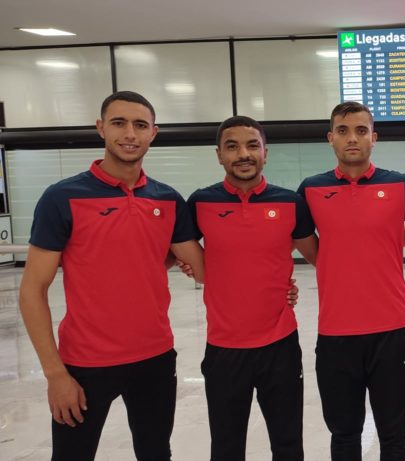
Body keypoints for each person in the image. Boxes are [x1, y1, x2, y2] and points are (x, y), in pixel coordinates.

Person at [18, 91, 205, 460]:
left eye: (140, 125)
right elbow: (32, 290)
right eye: (119, 123)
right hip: (85, 364)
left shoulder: (167, 200)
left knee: (156, 453)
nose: (130, 134)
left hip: (155, 358)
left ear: (153, 133)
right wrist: (55, 374)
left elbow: (202, 268)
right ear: (101, 128)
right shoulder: (62, 197)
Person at [297, 101, 405, 460]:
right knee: (344, 434)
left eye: (361, 131)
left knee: (394, 432)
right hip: (335, 333)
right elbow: (307, 247)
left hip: (390, 330)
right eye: (343, 131)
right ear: (330, 138)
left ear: (374, 138)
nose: (352, 138)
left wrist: (391, 239)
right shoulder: (311, 190)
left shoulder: (399, 185)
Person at [187, 116, 317, 460]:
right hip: (224, 349)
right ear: (219, 155)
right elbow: (178, 253)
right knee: (226, 448)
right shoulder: (199, 203)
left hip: (280, 346)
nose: (243, 154)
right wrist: (192, 266)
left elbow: (320, 257)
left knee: (288, 446)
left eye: (252, 145)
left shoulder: (291, 203)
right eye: (232, 147)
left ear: (265, 153)